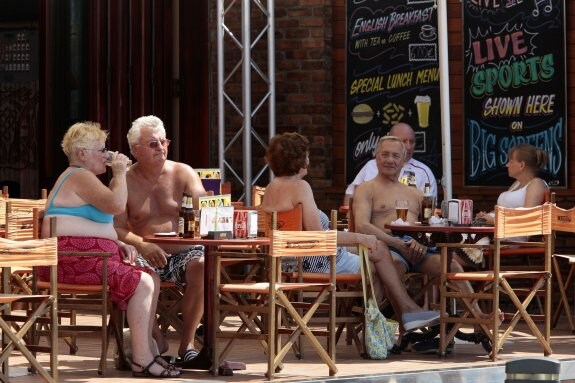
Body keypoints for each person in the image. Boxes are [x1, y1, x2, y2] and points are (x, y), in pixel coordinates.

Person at [38, 121, 180, 378]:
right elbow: (116, 205)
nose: (107, 155)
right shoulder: (78, 175)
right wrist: (120, 173)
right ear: (82, 153)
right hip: (71, 259)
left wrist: (118, 242)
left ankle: (147, 351)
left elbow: (99, 220)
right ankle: (142, 359)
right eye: (101, 150)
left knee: (152, 277)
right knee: (143, 282)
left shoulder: (85, 178)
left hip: (87, 256)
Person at [260, 132, 439, 332]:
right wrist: (360, 237)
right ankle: (383, 324)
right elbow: (318, 237)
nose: (309, 159)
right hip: (313, 261)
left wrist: (361, 240)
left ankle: (392, 320)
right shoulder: (300, 187)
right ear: (300, 159)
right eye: (307, 155)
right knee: (378, 261)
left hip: (285, 260)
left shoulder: (270, 188)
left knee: (377, 249)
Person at [115, 115, 207, 367]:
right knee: (142, 274)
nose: (162, 148)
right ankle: (155, 340)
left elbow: (205, 206)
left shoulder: (183, 172)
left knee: (202, 265)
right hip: (145, 252)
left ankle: (187, 345)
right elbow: (118, 228)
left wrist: (203, 204)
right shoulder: (124, 181)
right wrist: (142, 244)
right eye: (153, 144)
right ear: (135, 150)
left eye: (164, 142)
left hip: (183, 251)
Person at [343, 122, 437, 206]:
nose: (408, 147)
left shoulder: (423, 172)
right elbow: (350, 196)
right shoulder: (371, 166)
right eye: (404, 141)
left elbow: (429, 208)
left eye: (412, 142)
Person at [475, 143, 549, 224]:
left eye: (510, 161)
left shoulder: (536, 184)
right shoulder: (517, 184)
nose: (507, 165)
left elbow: (528, 218)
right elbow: (504, 209)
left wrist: (492, 220)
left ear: (521, 165)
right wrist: (486, 216)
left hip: (516, 235)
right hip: (500, 234)